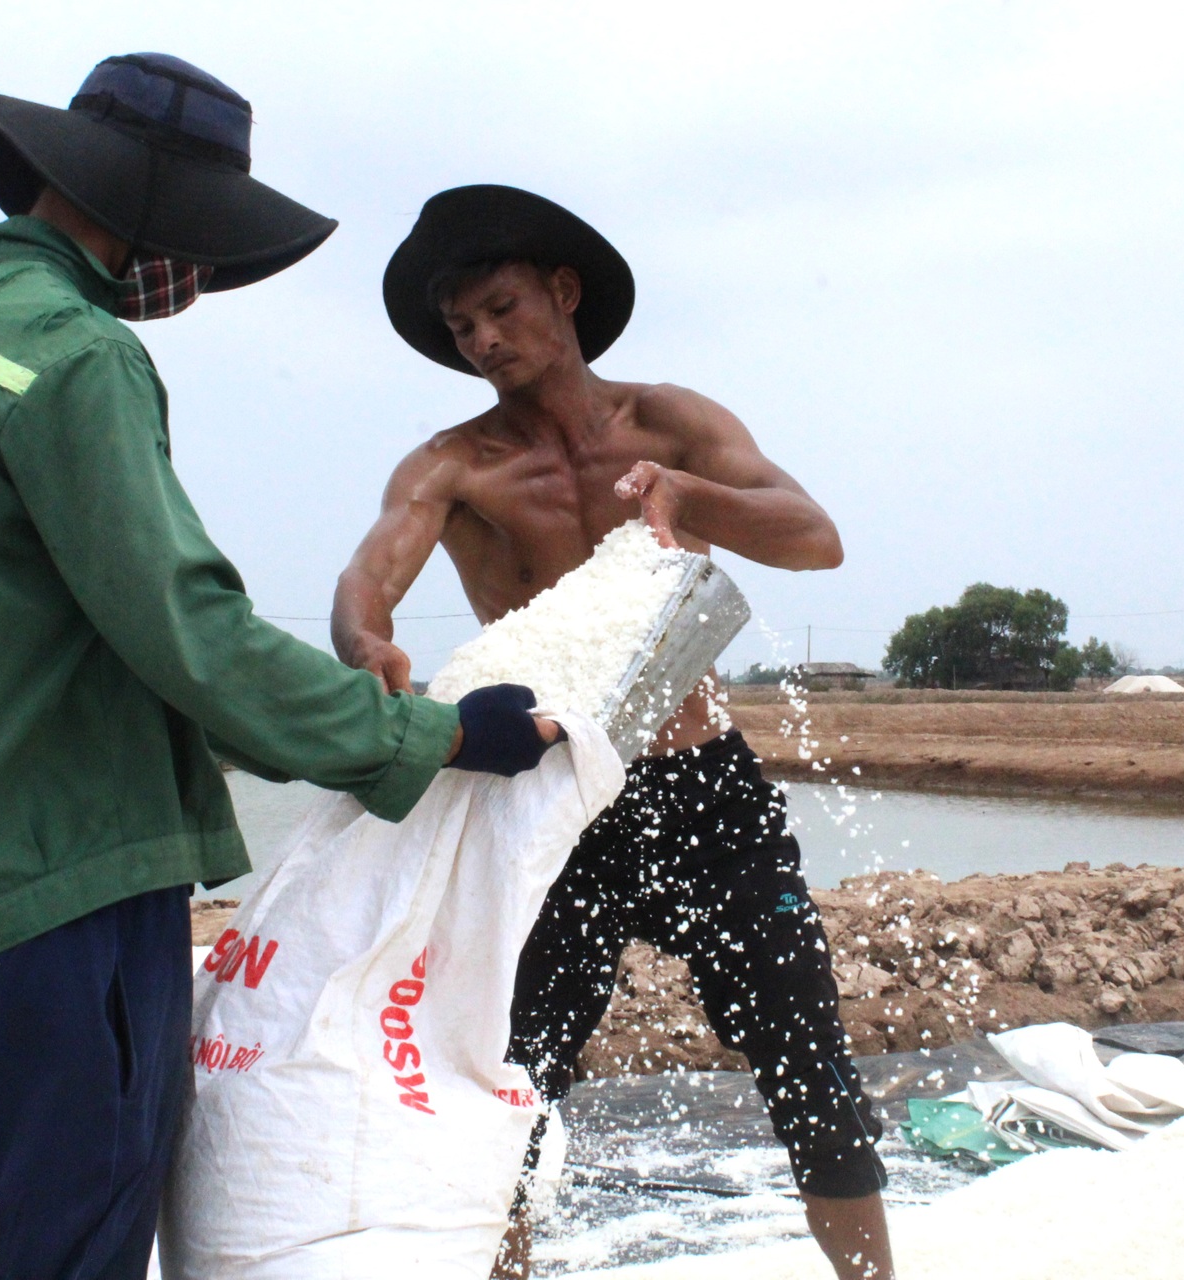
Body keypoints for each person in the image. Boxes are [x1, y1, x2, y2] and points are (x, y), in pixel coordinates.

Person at [0, 60, 557, 1279]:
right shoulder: (81, 356)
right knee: (64, 1240)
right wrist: (437, 736)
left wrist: (313, 712)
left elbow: (112, 635)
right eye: (193, 237)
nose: (195, 276)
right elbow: (188, 632)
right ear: (134, 209)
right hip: (69, 880)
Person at [334, 184, 893, 1280]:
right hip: (551, 800)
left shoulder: (672, 422)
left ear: (564, 291)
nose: (485, 340)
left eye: (501, 308)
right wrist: (365, 645)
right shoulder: (457, 464)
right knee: (514, 1085)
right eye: (462, 329)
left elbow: (816, 536)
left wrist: (689, 494)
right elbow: (369, 580)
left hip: (705, 792)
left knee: (809, 1064)